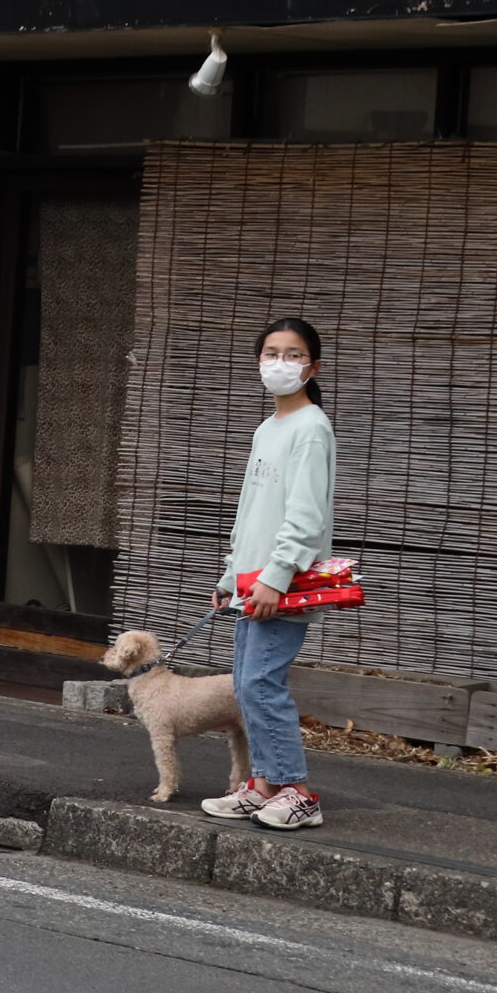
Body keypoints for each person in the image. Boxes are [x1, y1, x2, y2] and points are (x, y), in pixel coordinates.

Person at [202, 317, 338, 832]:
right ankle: (262, 785)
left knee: (260, 683)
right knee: (245, 682)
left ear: (313, 367)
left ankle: (298, 791)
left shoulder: (310, 428)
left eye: (294, 354)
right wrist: (229, 577)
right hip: (252, 582)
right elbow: (252, 513)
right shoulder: (268, 427)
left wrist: (276, 576)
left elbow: (306, 518)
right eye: (271, 352)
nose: (281, 363)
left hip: (280, 584)